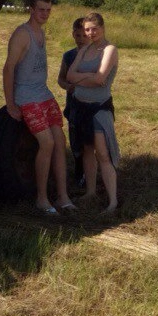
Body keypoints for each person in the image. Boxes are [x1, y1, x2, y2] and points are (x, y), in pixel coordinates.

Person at [3, 0, 74, 214]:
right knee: (47, 142)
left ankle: (62, 196)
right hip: (26, 96)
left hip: (43, 93)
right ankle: (42, 199)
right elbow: (8, 68)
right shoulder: (22, 34)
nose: (45, 14)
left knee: (60, 140)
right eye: (41, 9)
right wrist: (10, 103)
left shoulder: (41, 33)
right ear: (31, 9)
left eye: (48, 10)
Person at [66, 12, 119, 214]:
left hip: (99, 109)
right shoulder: (85, 49)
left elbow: (100, 79)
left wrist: (81, 77)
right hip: (80, 108)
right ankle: (90, 192)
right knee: (87, 151)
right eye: (87, 29)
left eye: (94, 29)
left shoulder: (109, 49)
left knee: (103, 154)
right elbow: (70, 76)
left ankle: (112, 201)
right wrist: (89, 76)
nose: (91, 33)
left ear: (103, 28)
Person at [57, 17, 88, 187]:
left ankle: (89, 172)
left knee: (89, 140)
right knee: (75, 140)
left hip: (90, 105)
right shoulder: (68, 56)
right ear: (73, 35)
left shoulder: (96, 56)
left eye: (84, 35)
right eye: (78, 35)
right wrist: (67, 86)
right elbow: (60, 79)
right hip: (74, 105)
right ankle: (79, 171)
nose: (81, 39)